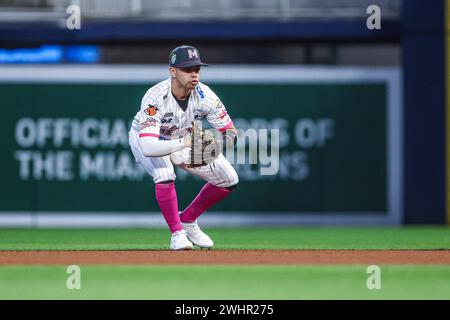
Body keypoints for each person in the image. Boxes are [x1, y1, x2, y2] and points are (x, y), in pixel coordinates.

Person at [129, 45, 238, 250]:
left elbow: (230, 133)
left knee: (229, 180)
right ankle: (177, 233)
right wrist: (183, 144)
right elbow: (148, 147)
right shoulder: (155, 97)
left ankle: (187, 220)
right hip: (149, 140)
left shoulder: (206, 97)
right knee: (164, 173)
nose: (194, 73)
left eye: (197, 68)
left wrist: (210, 143)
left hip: (185, 138)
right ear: (173, 71)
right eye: (187, 69)